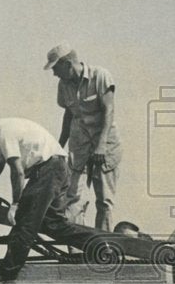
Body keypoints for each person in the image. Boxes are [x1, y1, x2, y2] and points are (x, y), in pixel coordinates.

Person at [0, 111, 92, 282]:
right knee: (53, 224)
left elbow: (17, 171)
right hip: (57, 168)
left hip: (48, 170)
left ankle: (7, 273)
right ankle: (98, 245)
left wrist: (15, 204)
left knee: (24, 222)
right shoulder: (6, 130)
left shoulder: (5, 133)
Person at [45, 42, 122, 232]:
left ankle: (102, 245)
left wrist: (101, 145)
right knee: (71, 195)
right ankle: (77, 244)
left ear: (68, 63)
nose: (54, 73)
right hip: (79, 145)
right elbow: (68, 114)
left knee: (104, 199)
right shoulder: (63, 85)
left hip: (105, 145)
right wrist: (58, 146)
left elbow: (108, 110)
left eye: (56, 68)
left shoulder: (100, 76)